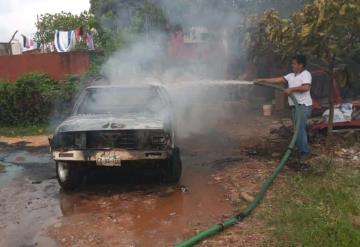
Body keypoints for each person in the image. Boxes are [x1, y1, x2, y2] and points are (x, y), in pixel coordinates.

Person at [255, 55, 312, 161]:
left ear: (301, 65)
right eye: (292, 63)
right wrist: (263, 80)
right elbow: (278, 80)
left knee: (299, 129)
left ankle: (304, 152)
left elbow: (306, 87)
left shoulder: (305, 74)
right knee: (298, 129)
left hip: (303, 106)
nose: (292, 65)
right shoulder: (291, 76)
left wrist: (291, 89)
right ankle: (300, 149)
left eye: (294, 63)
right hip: (295, 107)